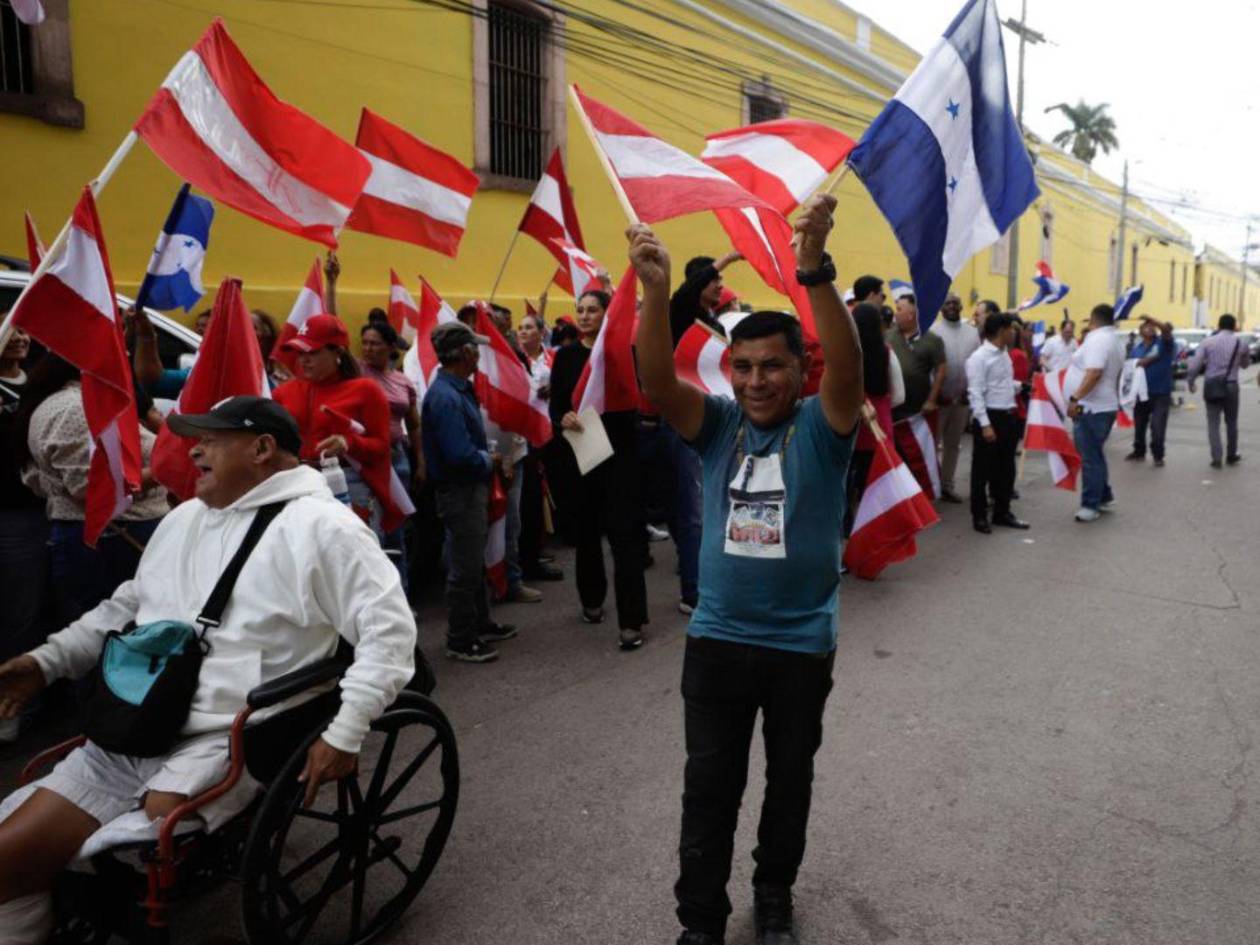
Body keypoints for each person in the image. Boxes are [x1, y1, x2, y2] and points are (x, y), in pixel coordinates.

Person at [0, 396, 416, 945]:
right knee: (8, 862)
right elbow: (126, 609)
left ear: (262, 448)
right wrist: (44, 664)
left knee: (153, 818)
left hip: (233, 740)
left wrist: (346, 731)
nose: (192, 449)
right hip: (136, 725)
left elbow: (390, 634)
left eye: (209, 439)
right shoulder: (183, 519)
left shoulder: (326, 528)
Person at [637, 193, 863, 945]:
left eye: (773, 366)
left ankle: (773, 893)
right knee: (709, 789)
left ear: (801, 371)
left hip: (800, 646)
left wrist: (813, 270)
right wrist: (653, 291)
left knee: (787, 784)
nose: (757, 379)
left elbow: (851, 370)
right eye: (744, 366)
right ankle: (700, 920)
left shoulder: (824, 428)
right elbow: (658, 385)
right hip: (718, 640)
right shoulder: (719, 425)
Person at [19, 355, 170, 626]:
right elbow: (91, 491)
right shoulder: (74, 408)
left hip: (112, 539)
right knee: (110, 637)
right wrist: (166, 467)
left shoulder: (85, 400)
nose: (124, 357)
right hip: (110, 542)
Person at [550, 289, 649, 650]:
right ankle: (591, 600)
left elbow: (635, 397)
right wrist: (565, 416)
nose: (585, 315)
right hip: (582, 454)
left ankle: (632, 620)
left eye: (593, 310)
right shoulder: (565, 356)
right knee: (587, 533)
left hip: (620, 454)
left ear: (608, 315)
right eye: (580, 310)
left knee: (625, 538)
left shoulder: (621, 354)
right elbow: (558, 405)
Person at [422, 321, 516, 663]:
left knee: (474, 559)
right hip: (460, 491)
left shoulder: (458, 388)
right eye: (474, 348)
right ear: (464, 353)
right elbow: (459, 454)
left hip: (469, 488)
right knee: (464, 565)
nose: (479, 354)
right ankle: (460, 639)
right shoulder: (446, 396)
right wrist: (489, 458)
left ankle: (480, 622)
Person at [273, 314, 392, 527]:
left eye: (312, 352)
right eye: (300, 352)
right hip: (296, 482)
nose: (303, 359)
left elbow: (382, 446)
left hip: (346, 484)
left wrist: (348, 443)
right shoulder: (284, 392)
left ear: (338, 352)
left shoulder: (366, 390)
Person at [359, 321, 423, 596]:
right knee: (373, 532)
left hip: (398, 458)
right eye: (365, 343)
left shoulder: (402, 380)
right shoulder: (357, 373)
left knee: (397, 529)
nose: (368, 349)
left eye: (375, 343)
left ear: (390, 347)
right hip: (366, 460)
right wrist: (332, 286)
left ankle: (402, 597)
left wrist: (421, 462)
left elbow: (415, 423)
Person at [844, 303, 904, 537]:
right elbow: (900, 396)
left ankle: (847, 532)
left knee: (847, 488)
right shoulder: (887, 352)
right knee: (875, 486)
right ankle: (873, 531)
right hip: (879, 428)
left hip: (850, 429)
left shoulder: (845, 354)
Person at [965, 313, 1029, 534]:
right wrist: (984, 424)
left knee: (1005, 469)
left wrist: (1022, 386)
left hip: (1008, 415)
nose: (1014, 333)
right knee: (982, 471)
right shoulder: (979, 358)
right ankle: (979, 516)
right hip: (990, 417)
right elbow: (975, 393)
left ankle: (1002, 512)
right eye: (1011, 329)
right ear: (1001, 331)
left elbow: (1001, 383)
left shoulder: (1004, 355)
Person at [1066, 303, 1125, 522]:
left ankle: (1090, 504)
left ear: (1093, 320)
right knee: (1095, 454)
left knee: (1090, 457)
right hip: (1101, 405)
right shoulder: (1114, 339)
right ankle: (1104, 495)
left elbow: (1094, 373)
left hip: (1093, 407)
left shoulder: (1098, 339)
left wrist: (1075, 398)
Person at [929, 293, 979, 503]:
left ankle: (947, 485)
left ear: (960, 307)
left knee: (953, 445)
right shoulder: (932, 331)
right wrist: (936, 392)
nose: (952, 306)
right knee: (933, 444)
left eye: (955, 303)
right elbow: (928, 366)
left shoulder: (972, 332)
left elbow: (976, 364)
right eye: (947, 303)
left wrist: (970, 392)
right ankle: (929, 487)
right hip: (939, 400)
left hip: (962, 400)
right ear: (941, 308)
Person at [1186, 313, 1250, 469]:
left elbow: (1194, 366)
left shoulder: (1207, 342)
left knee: (1213, 423)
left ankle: (1216, 457)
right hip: (1232, 385)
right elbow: (1245, 365)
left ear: (1219, 325)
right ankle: (1231, 455)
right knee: (1231, 422)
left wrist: (1191, 382)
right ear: (1234, 326)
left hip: (1212, 385)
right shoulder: (1241, 344)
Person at [887, 294, 946, 423]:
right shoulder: (887, 336)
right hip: (890, 407)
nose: (895, 314)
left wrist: (931, 400)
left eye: (899, 309)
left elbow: (941, 371)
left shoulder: (933, 340)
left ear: (911, 315)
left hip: (917, 410)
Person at [1125, 318, 1175, 466]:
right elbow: (1130, 368)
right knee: (1139, 425)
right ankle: (1139, 451)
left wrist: (1152, 318)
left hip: (1160, 392)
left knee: (1158, 425)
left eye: (1153, 326)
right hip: (1141, 393)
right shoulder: (1136, 349)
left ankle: (1158, 455)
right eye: (1147, 327)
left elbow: (1166, 330)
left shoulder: (1163, 343)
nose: (1151, 328)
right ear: (1141, 332)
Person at [670, 251, 743, 346]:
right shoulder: (682, 309)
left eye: (720, 280)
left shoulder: (717, 325)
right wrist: (727, 259)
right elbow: (694, 284)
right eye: (714, 280)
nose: (720, 286)